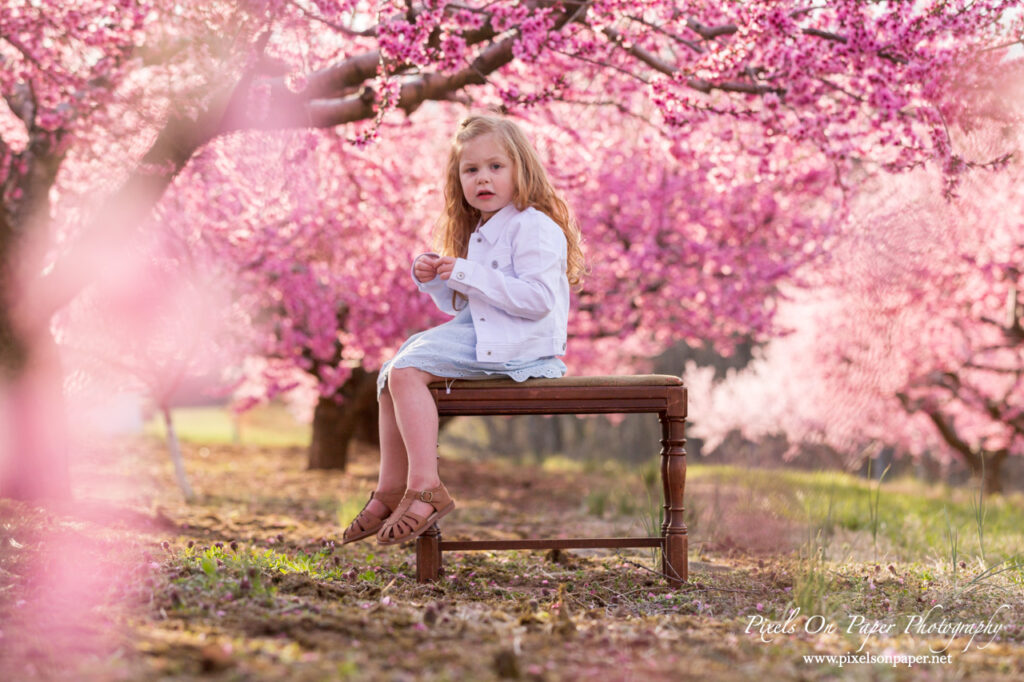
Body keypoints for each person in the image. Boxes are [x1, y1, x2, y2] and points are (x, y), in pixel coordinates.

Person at [342, 114, 585, 546]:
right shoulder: (483, 229)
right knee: (390, 374)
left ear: (521, 169)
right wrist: (436, 277)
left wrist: (469, 273)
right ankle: (390, 487)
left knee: (405, 370)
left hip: (522, 346)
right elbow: (470, 303)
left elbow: (537, 300)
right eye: (471, 170)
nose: (482, 179)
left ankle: (425, 487)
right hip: (489, 335)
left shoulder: (534, 226)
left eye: (496, 167)